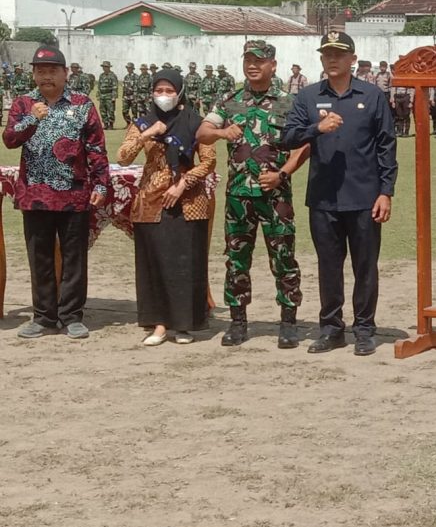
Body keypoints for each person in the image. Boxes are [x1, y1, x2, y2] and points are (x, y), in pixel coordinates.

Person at [282, 31, 397, 355]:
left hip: (364, 196)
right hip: (324, 198)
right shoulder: (307, 97)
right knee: (328, 266)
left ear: (352, 59)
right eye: (326, 54)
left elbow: (386, 146)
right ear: (321, 59)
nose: (332, 59)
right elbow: (288, 137)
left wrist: (385, 192)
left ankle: (364, 329)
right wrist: (316, 129)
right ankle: (331, 329)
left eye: (338, 54)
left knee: (365, 265)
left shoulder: (372, 96)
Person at [197, 41, 310, 349]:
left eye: (259, 60)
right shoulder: (229, 100)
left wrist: (281, 174)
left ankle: (288, 322)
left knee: (284, 258)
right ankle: (237, 322)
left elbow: (304, 145)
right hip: (238, 197)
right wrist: (222, 133)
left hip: (276, 196)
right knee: (236, 260)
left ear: (273, 64)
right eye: (248, 59)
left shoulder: (290, 102)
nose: (252, 65)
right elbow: (202, 132)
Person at [4, 45, 109, 340]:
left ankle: (72, 315)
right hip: (35, 194)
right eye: (40, 71)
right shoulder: (24, 104)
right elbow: (10, 140)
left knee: (74, 257)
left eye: (52, 71)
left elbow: (97, 149)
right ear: (33, 75)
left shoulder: (82, 104)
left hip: (74, 194)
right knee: (40, 258)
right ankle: (44, 317)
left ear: (65, 73)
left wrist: (101, 184)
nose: (46, 76)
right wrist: (32, 118)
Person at [118, 68, 216, 346]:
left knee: (185, 262)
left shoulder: (195, 122)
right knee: (156, 263)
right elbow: (123, 157)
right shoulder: (143, 123)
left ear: (180, 92)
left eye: (169, 91)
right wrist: (147, 134)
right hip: (151, 202)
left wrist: (183, 183)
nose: (163, 96)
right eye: (158, 91)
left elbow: (208, 161)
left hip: (188, 202)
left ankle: (184, 324)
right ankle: (159, 325)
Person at [97, 61, 119, 129]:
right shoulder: (101, 75)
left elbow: (115, 87)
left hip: (109, 95)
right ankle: (105, 124)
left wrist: (113, 97)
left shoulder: (112, 75)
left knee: (111, 110)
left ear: (109, 67)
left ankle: (111, 124)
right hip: (102, 96)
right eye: (103, 67)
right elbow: (99, 86)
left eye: (106, 67)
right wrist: (99, 95)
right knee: (103, 111)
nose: (104, 68)